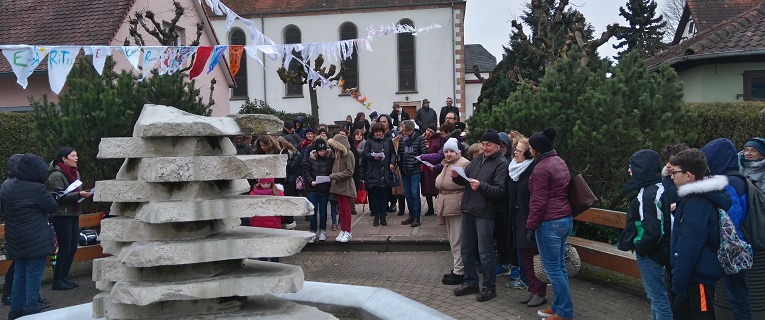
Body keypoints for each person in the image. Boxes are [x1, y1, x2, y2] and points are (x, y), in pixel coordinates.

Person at [668, 149, 728, 320]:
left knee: (702, 315)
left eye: (675, 172)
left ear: (689, 176)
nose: (672, 176)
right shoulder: (693, 198)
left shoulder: (697, 202)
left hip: (698, 277)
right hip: (692, 276)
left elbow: (690, 245)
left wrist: (678, 283)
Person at [450, 129, 509, 302]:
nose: (485, 148)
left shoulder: (501, 164)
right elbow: (466, 178)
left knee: (485, 253)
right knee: (466, 250)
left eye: (488, 145)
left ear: (498, 145)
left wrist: (481, 186)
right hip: (468, 209)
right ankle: (471, 282)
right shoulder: (477, 160)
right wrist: (457, 177)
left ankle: (489, 288)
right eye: (483, 145)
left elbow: (499, 191)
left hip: (484, 213)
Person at [1, 154, 58, 319]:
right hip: (36, 240)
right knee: (33, 277)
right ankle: (32, 311)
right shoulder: (36, 189)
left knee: (19, 274)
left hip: (15, 238)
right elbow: (52, 207)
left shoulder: (6, 185)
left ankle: (15, 311)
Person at [618, 149, 672, 320]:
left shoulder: (649, 194)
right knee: (656, 297)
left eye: (631, 166)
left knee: (658, 298)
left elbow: (654, 230)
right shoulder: (657, 187)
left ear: (642, 168)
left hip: (651, 254)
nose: (629, 170)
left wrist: (640, 247)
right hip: (659, 251)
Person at [701, 138, 752, 320]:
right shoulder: (738, 178)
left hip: (731, 246)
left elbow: (731, 218)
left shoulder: (729, 182)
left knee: (737, 297)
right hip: (737, 244)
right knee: (738, 296)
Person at [526, 128, 574, 320]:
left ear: (537, 149)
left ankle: (565, 312)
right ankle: (559, 306)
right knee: (559, 267)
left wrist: (530, 226)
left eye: (531, 147)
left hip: (549, 223)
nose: (529, 149)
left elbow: (538, 202)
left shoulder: (542, 168)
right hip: (564, 219)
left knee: (553, 269)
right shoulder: (558, 161)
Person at [47, 147, 93, 291]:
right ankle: (57, 280)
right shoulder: (55, 175)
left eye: (76, 155)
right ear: (64, 159)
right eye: (73, 155)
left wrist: (82, 195)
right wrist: (79, 195)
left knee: (73, 247)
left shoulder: (76, 173)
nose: (76, 158)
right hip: (61, 215)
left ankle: (64, 277)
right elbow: (58, 196)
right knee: (65, 248)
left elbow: (76, 192)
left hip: (73, 213)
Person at [508, 138, 546, 307]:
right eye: (515, 149)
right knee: (525, 258)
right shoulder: (514, 169)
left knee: (534, 258)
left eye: (519, 150)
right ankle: (531, 288)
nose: (515, 152)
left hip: (529, 219)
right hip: (518, 218)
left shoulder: (533, 171)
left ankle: (540, 291)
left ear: (529, 154)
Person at [436, 138, 470, 285]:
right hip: (448, 205)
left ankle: (460, 271)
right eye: (446, 151)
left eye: (451, 151)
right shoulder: (448, 164)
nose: (448, 154)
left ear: (458, 151)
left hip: (456, 205)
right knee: (453, 239)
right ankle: (458, 268)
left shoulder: (463, 163)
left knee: (457, 240)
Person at [361, 121, 396, 226]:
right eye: (376, 131)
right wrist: (373, 157)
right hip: (373, 172)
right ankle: (376, 215)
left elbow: (392, 154)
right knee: (375, 196)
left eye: (380, 131)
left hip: (385, 171)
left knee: (384, 195)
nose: (378, 133)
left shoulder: (388, 141)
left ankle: (383, 215)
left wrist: (392, 163)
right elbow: (365, 154)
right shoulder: (369, 141)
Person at [303, 138, 334, 243]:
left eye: (324, 150)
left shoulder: (330, 160)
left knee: (323, 212)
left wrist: (328, 180)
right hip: (313, 189)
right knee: (313, 211)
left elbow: (331, 172)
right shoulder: (311, 159)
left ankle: (322, 230)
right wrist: (311, 181)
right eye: (320, 150)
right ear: (316, 151)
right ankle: (313, 231)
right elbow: (306, 172)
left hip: (324, 189)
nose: (322, 152)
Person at [328, 134, 357, 242]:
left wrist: (334, 176)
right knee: (340, 208)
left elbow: (350, 171)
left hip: (345, 185)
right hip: (337, 185)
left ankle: (348, 231)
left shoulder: (349, 154)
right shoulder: (337, 154)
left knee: (346, 208)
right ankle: (343, 230)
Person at [397, 120, 427, 227]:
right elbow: (400, 152)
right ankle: (411, 214)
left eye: (405, 131)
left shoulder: (419, 138)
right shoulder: (402, 139)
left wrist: (415, 163)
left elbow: (423, 154)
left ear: (411, 130)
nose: (403, 133)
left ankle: (416, 217)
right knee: (407, 194)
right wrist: (399, 161)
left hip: (414, 170)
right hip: (404, 170)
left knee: (414, 194)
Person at [248, 178, 284, 262]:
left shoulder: (278, 193)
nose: (265, 185)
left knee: (274, 248)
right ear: (259, 183)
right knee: (261, 249)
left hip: (273, 223)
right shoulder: (253, 193)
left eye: (267, 183)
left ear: (271, 183)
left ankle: (275, 265)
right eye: (263, 183)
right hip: (258, 224)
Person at [661, 143, 691, 213]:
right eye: (666, 161)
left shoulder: (692, 182)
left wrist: (679, 205)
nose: (667, 165)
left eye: (671, 162)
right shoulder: (663, 180)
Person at [421, 124, 442, 217]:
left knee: (436, 187)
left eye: (430, 131)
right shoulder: (422, 139)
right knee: (426, 188)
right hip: (424, 168)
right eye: (427, 130)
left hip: (434, 167)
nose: (428, 133)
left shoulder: (437, 140)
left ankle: (440, 208)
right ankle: (430, 208)